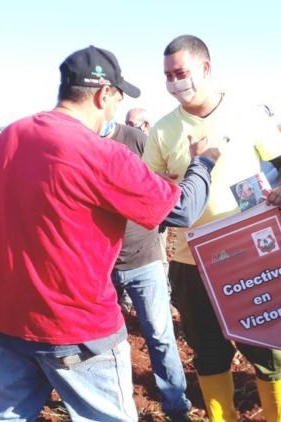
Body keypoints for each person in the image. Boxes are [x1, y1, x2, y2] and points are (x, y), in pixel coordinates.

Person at [0, 46, 218, 422]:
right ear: (105, 95)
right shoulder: (101, 153)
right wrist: (202, 163)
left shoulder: (9, 138)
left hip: (5, 316)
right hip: (73, 325)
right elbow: (181, 210)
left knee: (7, 414)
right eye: (117, 100)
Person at [142, 35, 281, 422]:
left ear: (206, 69)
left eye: (181, 73)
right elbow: (151, 195)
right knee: (208, 352)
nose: (174, 82)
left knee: (270, 349)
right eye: (167, 76)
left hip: (252, 256)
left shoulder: (248, 116)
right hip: (190, 260)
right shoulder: (163, 130)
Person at [105, 120, 192, 420]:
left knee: (159, 333)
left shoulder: (136, 140)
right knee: (108, 341)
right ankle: (117, 404)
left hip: (144, 259)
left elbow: (165, 186)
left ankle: (176, 404)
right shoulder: (81, 143)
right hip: (101, 264)